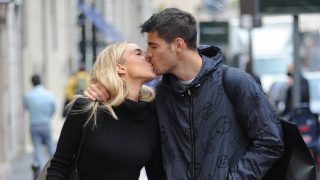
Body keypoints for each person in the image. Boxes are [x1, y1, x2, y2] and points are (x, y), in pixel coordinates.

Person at [84, 8, 284, 179]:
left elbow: (270, 142)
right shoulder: (158, 95)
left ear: (178, 45)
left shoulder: (235, 82)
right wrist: (102, 91)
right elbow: (124, 122)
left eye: (153, 46)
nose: (148, 54)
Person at [46, 41, 165, 179]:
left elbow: (157, 175)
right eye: (139, 53)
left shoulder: (152, 115)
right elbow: (59, 167)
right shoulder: (87, 108)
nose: (149, 56)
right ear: (120, 68)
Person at [23, 74, 56, 177]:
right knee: (51, 146)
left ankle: (40, 172)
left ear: (32, 82)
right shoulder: (49, 94)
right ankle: (56, 165)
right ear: (41, 81)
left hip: (34, 125)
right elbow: (53, 109)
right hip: (45, 123)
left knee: (37, 148)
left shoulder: (28, 96)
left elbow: (26, 107)